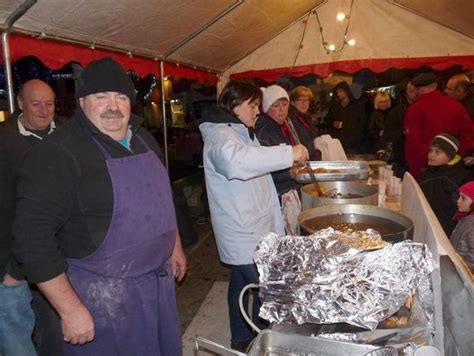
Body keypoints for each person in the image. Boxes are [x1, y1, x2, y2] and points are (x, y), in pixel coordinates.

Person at [12, 57, 186, 355]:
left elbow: (160, 197)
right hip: (102, 301)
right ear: (81, 101)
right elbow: (32, 239)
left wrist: (174, 245)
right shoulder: (59, 153)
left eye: (121, 97)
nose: (113, 106)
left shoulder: (143, 137)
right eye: (101, 97)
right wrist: (69, 310)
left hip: (157, 290)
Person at [199, 80, 308, 352]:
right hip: (243, 231)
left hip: (253, 225)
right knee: (267, 290)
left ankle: (241, 338)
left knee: (239, 283)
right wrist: (289, 153)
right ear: (235, 105)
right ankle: (267, 342)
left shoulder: (241, 131)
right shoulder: (220, 136)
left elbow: (257, 155)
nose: (258, 111)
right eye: (253, 105)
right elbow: (239, 163)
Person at [0, 79, 59, 356]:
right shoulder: (4, 141)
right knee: (15, 334)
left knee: (56, 328)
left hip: (61, 254)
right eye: (36, 104)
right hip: (12, 258)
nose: (44, 110)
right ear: (20, 104)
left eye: (49, 104)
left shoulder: (69, 133)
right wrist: (10, 266)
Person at [404, 72, 474, 176]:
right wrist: (454, 155)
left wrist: (430, 159)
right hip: (452, 167)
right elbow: (469, 135)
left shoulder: (415, 109)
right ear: (435, 86)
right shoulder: (456, 105)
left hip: (425, 169)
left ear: (417, 89)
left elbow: (414, 143)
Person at [416, 133, 473, 236]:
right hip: (423, 220)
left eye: (437, 152)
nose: (431, 155)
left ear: (450, 156)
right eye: (430, 150)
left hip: (445, 228)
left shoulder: (461, 176)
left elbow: (460, 208)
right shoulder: (425, 172)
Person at [383, 78, 416, 177]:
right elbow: (387, 135)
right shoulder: (396, 112)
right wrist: (403, 132)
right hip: (401, 158)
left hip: (418, 158)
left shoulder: (424, 108)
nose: (415, 93)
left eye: (416, 89)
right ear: (404, 92)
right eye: (411, 90)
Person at [325, 81, 367, 154]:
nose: (338, 94)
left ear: (346, 92)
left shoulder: (356, 106)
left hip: (353, 144)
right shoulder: (335, 107)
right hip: (338, 142)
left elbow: (362, 123)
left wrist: (356, 138)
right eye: (337, 92)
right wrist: (333, 123)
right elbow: (328, 119)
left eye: (340, 91)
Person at [288, 85, 320, 160]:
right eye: (300, 100)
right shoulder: (291, 120)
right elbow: (297, 144)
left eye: (306, 100)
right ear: (292, 102)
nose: (304, 103)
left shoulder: (307, 118)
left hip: (311, 158)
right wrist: (315, 143)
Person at [450, 181, 474, 271]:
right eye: (459, 196)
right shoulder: (465, 217)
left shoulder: (472, 226)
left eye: (463, 198)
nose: (458, 200)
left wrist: (460, 269)